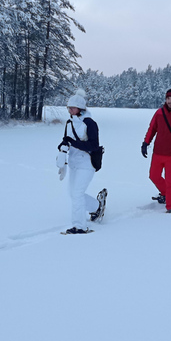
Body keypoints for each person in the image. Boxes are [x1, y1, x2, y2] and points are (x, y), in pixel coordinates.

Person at [57, 89, 107, 234]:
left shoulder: (90, 123)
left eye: (73, 107)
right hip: (73, 163)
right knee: (73, 194)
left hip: (87, 163)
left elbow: (93, 145)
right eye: (69, 107)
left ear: (81, 108)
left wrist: (73, 142)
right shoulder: (69, 122)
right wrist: (62, 146)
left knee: (77, 194)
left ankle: (79, 226)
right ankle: (97, 207)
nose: (70, 109)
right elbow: (67, 139)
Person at [141, 86, 171, 213]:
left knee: (170, 181)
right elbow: (152, 128)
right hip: (158, 152)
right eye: (168, 98)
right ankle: (165, 194)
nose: (170, 101)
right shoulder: (159, 113)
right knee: (153, 176)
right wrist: (146, 143)